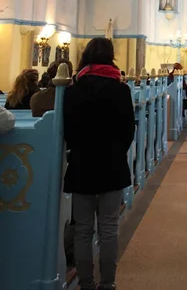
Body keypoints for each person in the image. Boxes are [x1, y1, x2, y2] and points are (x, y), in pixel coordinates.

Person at [63, 38, 135, 290]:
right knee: (108, 229)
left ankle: (85, 284)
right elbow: (128, 130)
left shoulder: (71, 90)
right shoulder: (120, 90)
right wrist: (116, 152)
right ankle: (108, 284)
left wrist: (79, 150)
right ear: (111, 57)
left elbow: (67, 132)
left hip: (82, 165)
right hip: (112, 166)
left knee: (82, 230)